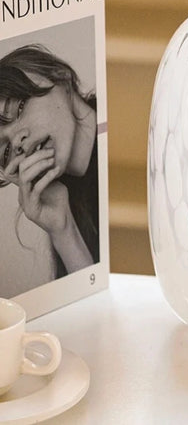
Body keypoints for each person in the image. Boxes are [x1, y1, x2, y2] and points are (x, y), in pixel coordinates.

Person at [0, 44, 99, 281]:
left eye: (19, 107)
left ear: (60, 76)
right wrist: (64, 230)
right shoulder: (63, 207)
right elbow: (92, 311)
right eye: (5, 152)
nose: (18, 141)